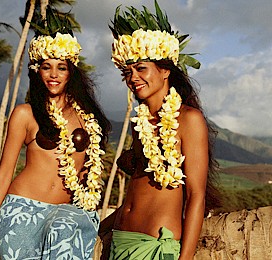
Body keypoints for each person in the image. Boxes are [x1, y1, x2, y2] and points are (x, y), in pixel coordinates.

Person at [0, 9, 111, 260]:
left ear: (71, 71)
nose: (53, 75)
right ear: (37, 70)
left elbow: (87, 171)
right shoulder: (25, 114)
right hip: (22, 208)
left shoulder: (87, 117)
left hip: (66, 212)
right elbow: (5, 172)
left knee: (65, 229)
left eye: (61, 67)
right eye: (46, 67)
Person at [99, 1, 220, 259]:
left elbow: (196, 195)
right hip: (120, 239)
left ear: (165, 69)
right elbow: (140, 188)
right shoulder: (138, 123)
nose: (133, 78)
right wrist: (101, 228)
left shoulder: (189, 119)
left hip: (154, 245)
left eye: (141, 68)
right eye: (127, 72)